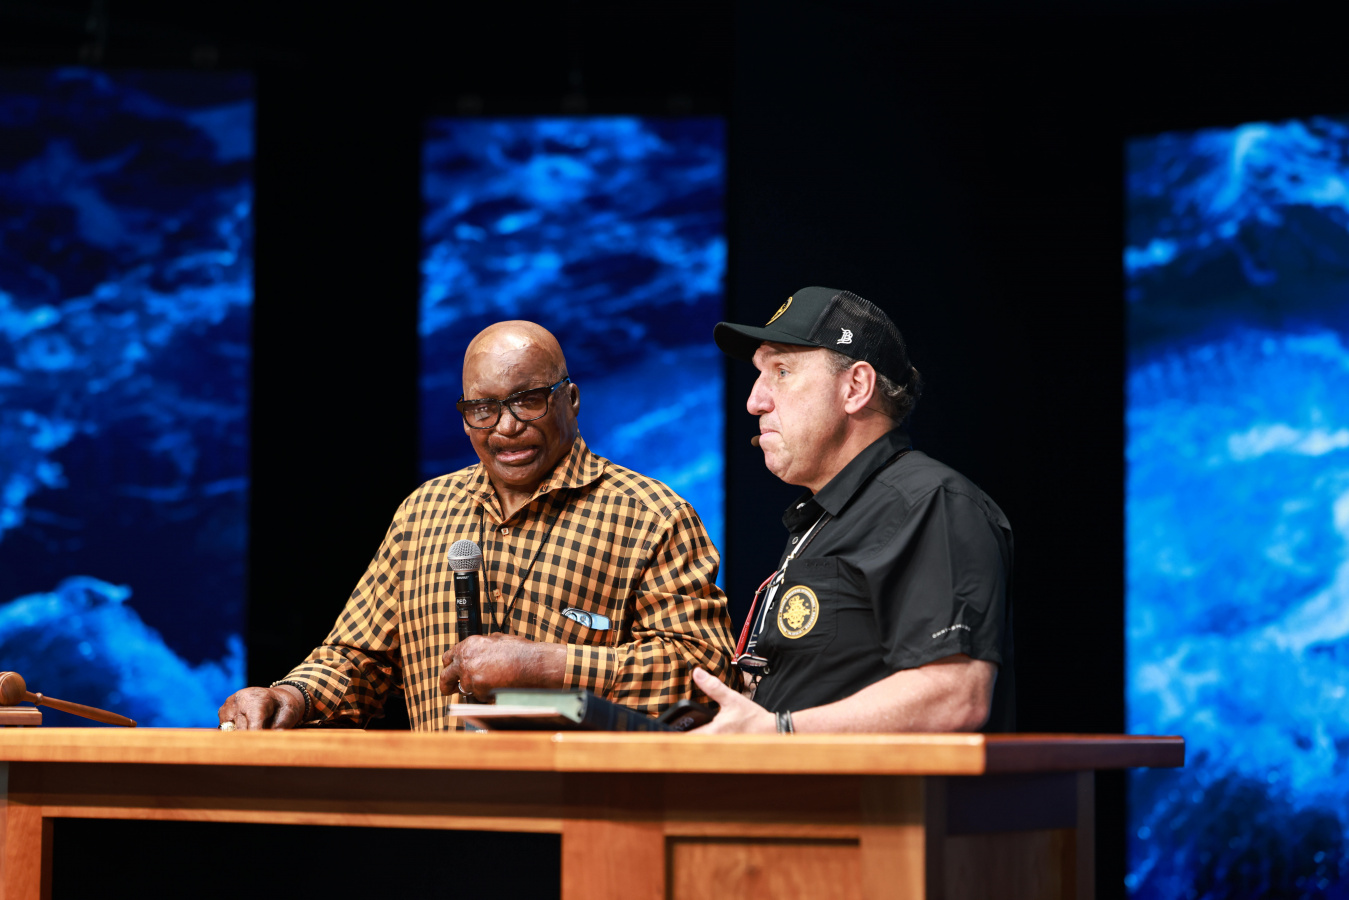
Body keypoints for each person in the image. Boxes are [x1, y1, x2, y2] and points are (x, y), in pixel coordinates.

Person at [219, 321, 735, 730]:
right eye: (483, 408)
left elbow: (703, 675)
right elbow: (357, 659)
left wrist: (542, 667)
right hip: (443, 808)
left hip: (583, 808)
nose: (506, 427)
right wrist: (291, 696)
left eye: (528, 400)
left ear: (571, 400)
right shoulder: (423, 512)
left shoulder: (652, 517)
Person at [692, 286, 1013, 734]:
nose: (754, 401)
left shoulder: (930, 502)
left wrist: (779, 733)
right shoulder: (829, 515)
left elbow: (955, 693)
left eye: (781, 371)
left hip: (875, 786)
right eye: (759, 374)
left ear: (856, 387)